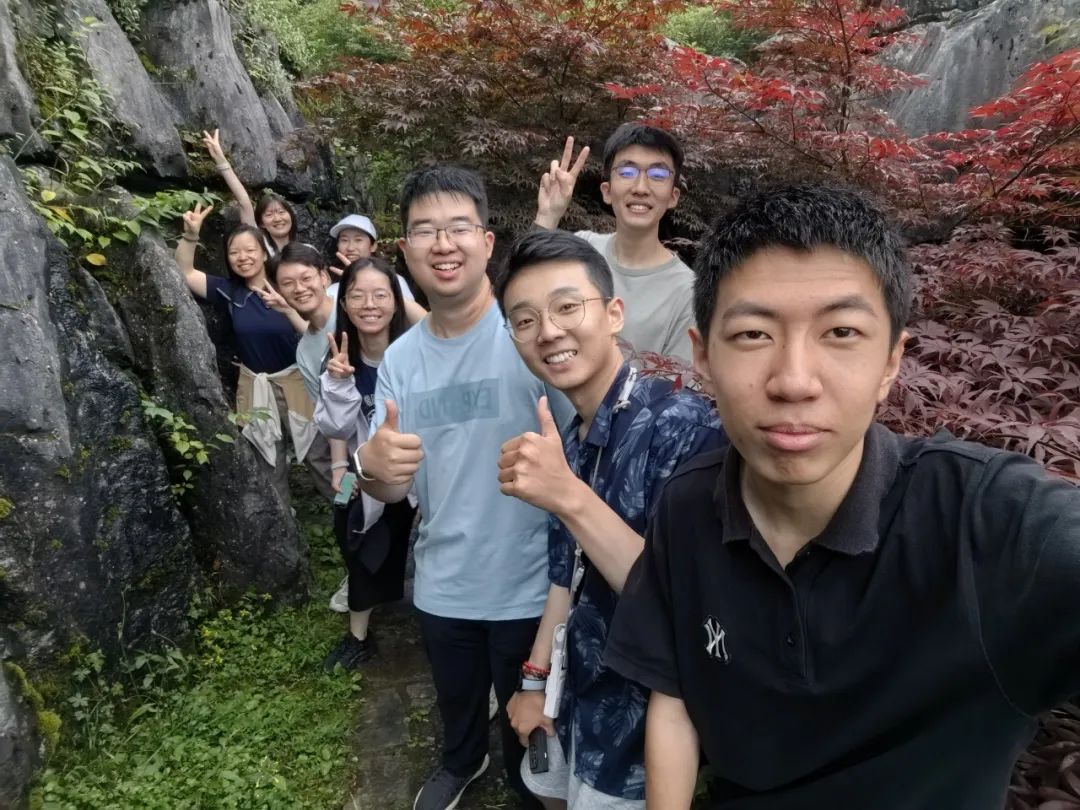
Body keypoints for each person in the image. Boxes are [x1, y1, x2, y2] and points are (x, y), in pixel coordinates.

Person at [603, 183, 1080, 809]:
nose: (794, 380)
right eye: (752, 334)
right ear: (704, 359)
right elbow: (674, 694)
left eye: (842, 331)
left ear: (891, 362)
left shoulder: (989, 524)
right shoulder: (689, 506)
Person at [355, 165, 571, 810]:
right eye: (425, 230)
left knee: (528, 724)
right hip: (443, 578)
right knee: (455, 697)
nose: (443, 244)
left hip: (530, 584)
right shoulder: (400, 360)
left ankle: (528, 784)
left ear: (486, 241)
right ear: (405, 250)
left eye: (458, 228)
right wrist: (371, 466)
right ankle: (461, 761)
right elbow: (388, 488)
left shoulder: (530, 336)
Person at [493, 230, 726, 809]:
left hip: (646, 743)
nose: (548, 331)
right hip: (576, 706)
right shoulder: (571, 439)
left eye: (567, 307)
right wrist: (534, 681)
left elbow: (684, 600)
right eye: (524, 320)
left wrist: (567, 495)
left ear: (614, 313)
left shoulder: (683, 426)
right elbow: (564, 577)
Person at [315, 256, 418, 670]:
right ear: (343, 303)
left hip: (419, 470)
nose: (369, 304)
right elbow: (336, 428)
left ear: (397, 301)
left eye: (380, 294)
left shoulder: (417, 353)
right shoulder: (339, 358)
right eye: (357, 295)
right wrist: (338, 382)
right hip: (362, 469)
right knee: (349, 525)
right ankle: (359, 636)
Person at [175, 203, 312, 507]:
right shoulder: (229, 291)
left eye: (250, 250)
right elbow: (185, 273)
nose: (243, 257)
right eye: (234, 252)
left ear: (264, 253)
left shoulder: (288, 285)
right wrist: (191, 235)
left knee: (321, 453)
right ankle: (281, 525)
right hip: (254, 385)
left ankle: (350, 513)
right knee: (267, 460)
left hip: (298, 380)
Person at [533, 125, 694, 362]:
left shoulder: (687, 293)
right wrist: (547, 216)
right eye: (627, 172)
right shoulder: (583, 249)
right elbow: (524, 297)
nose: (640, 188)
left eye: (658, 175)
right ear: (607, 191)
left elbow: (676, 384)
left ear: (673, 196)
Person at [201, 129, 298, 254]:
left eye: (281, 212)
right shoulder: (260, 245)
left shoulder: (307, 251)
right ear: (261, 223)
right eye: (269, 215)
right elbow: (244, 201)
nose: (277, 218)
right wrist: (221, 161)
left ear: (291, 216)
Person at [329, 214, 416, 303]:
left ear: (373, 246)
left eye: (358, 240)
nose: (350, 248)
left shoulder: (394, 280)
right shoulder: (328, 283)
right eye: (344, 240)